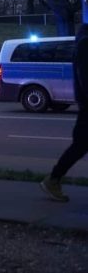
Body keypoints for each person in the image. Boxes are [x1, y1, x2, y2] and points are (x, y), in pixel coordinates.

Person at [41, 24, 88, 202]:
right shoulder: (85, 44)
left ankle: (53, 179)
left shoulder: (83, 41)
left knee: (80, 146)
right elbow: (86, 79)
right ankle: (53, 179)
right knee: (80, 146)